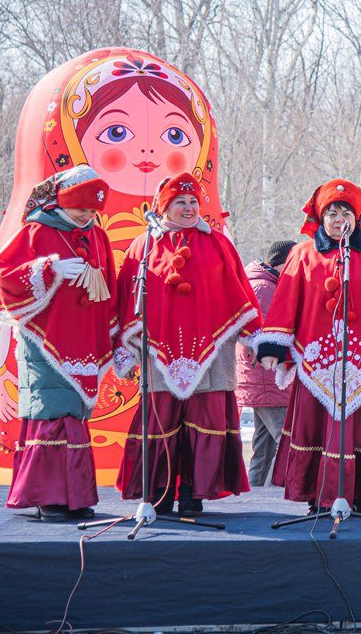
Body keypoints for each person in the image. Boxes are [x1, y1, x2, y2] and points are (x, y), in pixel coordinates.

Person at [255, 180, 361, 514]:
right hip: (314, 361)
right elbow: (286, 302)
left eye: (345, 211)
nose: (337, 218)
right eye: (331, 212)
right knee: (315, 426)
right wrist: (274, 344)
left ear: (357, 216)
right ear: (320, 218)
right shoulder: (303, 254)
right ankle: (315, 496)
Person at [113, 172, 262, 516]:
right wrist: (128, 345)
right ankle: (161, 495)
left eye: (194, 201)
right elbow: (127, 296)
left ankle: (194, 493)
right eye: (180, 201)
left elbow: (239, 290)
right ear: (163, 207)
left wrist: (253, 333)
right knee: (162, 425)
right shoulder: (145, 244)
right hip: (159, 353)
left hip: (213, 354)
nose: (189, 207)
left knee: (204, 421)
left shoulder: (219, 243)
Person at [0, 165, 116, 521]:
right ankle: (48, 497)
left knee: (75, 414)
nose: (87, 215)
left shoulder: (97, 236)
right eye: (81, 208)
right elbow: (5, 276)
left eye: (93, 210)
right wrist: (50, 270)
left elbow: (106, 287)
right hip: (44, 341)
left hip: (83, 340)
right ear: (62, 201)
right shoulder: (35, 231)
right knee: (52, 412)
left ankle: (76, 496)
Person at [235, 240, 297, 487]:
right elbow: (262, 334)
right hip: (265, 375)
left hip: (264, 376)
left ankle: (258, 487)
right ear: (282, 263)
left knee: (265, 443)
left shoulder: (268, 284)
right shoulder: (264, 288)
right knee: (288, 439)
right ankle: (281, 488)